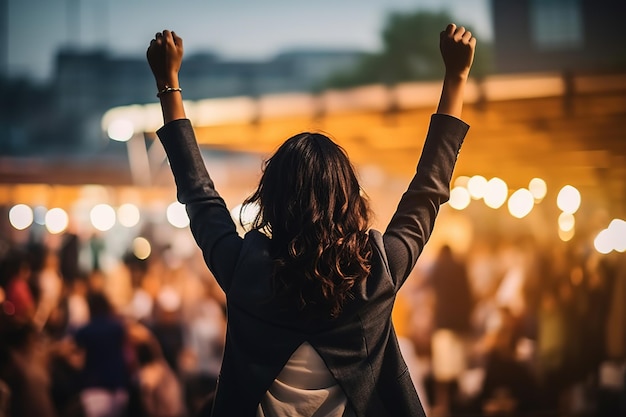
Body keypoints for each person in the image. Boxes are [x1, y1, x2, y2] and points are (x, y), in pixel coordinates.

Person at [146, 22, 476, 417]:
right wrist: (456, 77)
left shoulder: (245, 270)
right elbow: (428, 191)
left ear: (272, 199)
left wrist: (169, 83)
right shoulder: (376, 271)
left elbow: (199, 196)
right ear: (349, 199)